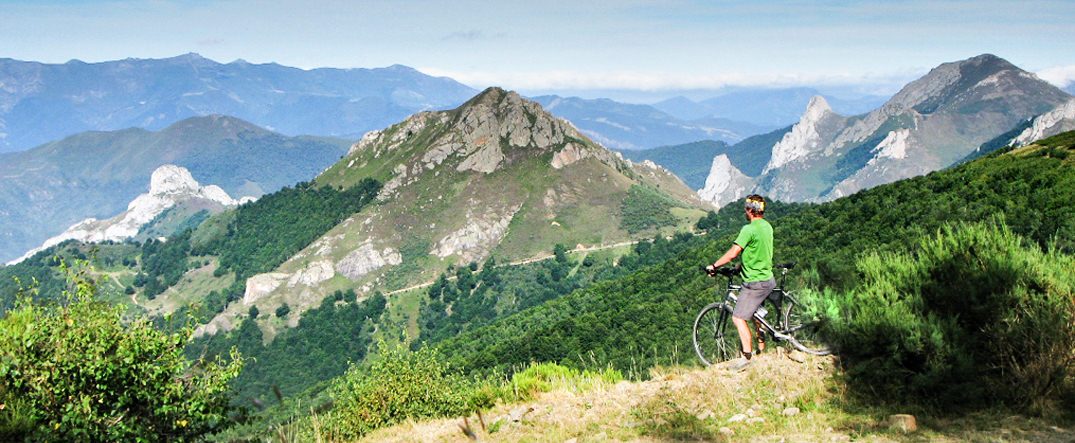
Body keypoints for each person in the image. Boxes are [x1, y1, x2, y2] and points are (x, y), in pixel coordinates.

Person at [705, 195, 774, 371]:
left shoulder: (748, 229)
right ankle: (761, 350)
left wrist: (714, 265)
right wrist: (739, 268)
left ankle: (746, 358)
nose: (745, 211)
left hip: (754, 282)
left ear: (750, 210)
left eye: (746, 208)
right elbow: (756, 252)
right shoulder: (767, 227)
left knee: (738, 317)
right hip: (767, 279)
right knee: (756, 314)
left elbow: (733, 252)